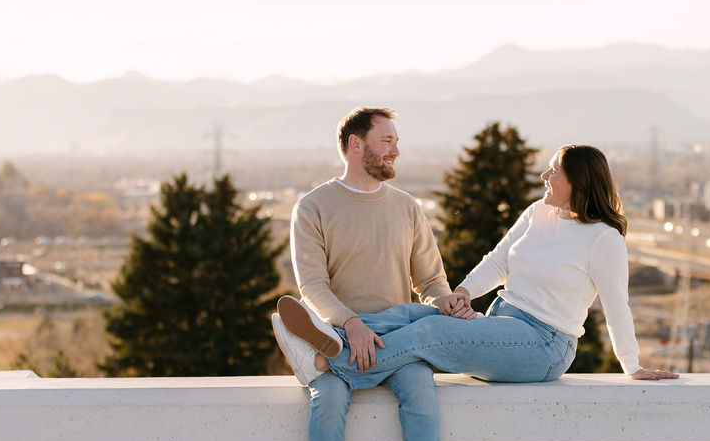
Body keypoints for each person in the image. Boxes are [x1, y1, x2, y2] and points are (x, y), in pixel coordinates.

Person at [277, 143, 677, 406]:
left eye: (553, 171)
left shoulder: (604, 239)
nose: (544, 177)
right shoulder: (538, 213)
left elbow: (616, 305)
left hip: (543, 346)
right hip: (502, 322)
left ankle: (330, 363)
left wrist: (632, 364)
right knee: (414, 315)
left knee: (430, 334)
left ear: (578, 181)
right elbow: (499, 261)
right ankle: (332, 334)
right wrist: (463, 293)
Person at [271, 107, 469, 441]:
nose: (395, 149)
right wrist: (352, 323)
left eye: (397, 140)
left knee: (422, 392)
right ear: (356, 145)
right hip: (342, 332)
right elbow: (313, 288)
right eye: (386, 140)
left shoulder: (407, 207)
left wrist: (447, 303)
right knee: (326, 407)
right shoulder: (314, 206)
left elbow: (432, 280)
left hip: (395, 342)